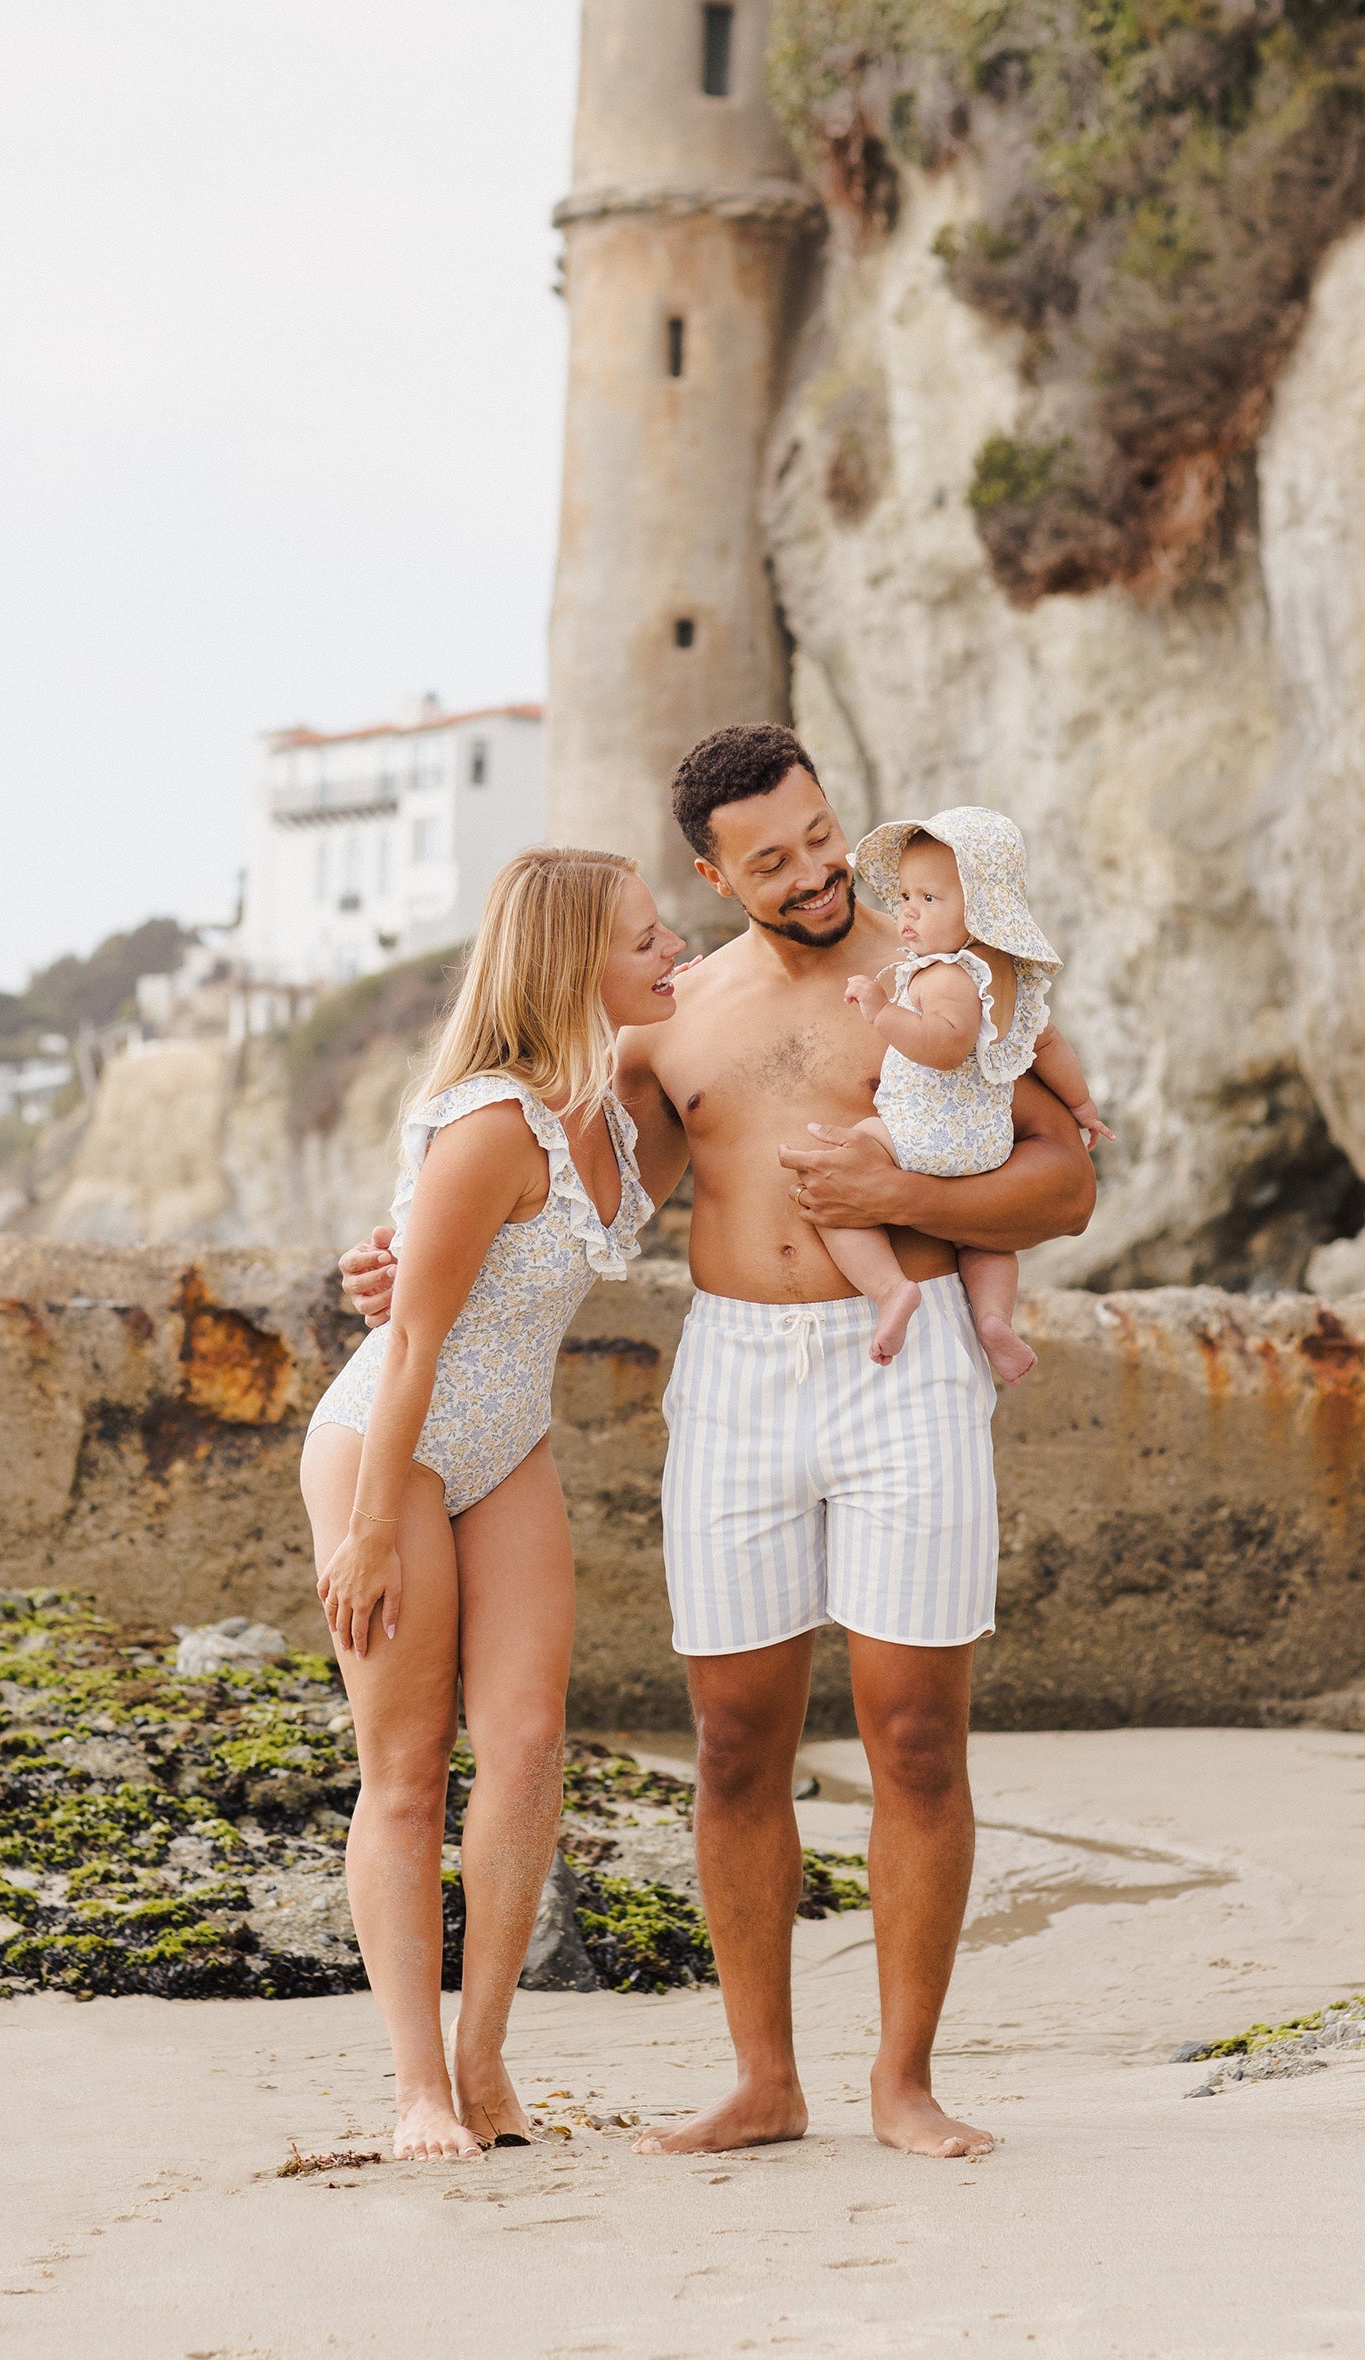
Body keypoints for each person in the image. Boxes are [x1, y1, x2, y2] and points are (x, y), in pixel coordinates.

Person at [342, 726, 1094, 2160]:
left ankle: (904, 2083)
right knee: (735, 1744)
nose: (814, 874)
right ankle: (765, 2080)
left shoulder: (940, 972)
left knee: (915, 1737)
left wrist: (899, 1180)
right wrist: (395, 1266)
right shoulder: (670, 1017)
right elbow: (557, 1189)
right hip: (740, 1372)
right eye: (772, 861)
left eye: (822, 838)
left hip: (910, 1356)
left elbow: (1064, 1183)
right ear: (713, 872)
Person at [301, 847, 685, 2160]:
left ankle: (484, 2063)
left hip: (505, 1443)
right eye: (646, 937)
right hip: (388, 1452)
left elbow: (748, 1000)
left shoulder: (617, 1116)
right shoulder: (488, 1123)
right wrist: (362, 1532)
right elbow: (408, 1339)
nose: (672, 950)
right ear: (578, 962)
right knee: (405, 1771)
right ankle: (416, 2091)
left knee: (527, 1749)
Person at [826, 805, 1112, 1380]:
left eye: (930, 900)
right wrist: (1082, 1107)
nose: (908, 911)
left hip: (926, 1128)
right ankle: (993, 1320)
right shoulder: (1009, 979)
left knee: (838, 1184)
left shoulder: (947, 975)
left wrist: (882, 1013)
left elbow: (946, 1044)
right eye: (906, 895)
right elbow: (1049, 1047)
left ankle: (890, 1292)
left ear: (981, 911)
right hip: (988, 1143)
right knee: (984, 1241)